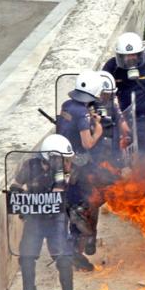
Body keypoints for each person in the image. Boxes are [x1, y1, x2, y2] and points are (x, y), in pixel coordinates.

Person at [11, 134, 76, 290]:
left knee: (63, 258)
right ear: (50, 156)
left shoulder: (64, 171)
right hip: (35, 219)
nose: (65, 161)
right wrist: (19, 200)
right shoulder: (30, 166)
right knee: (26, 256)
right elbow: (16, 185)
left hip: (56, 220)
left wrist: (59, 173)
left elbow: (58, 192)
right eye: (61, 158)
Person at [56, 70, 104, 271]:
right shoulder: (83, 113)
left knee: (67, 207)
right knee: (81, 207)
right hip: (78, 165)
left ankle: (70, 247)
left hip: (61, 160)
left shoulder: (67, 106)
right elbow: (87, 143)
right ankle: (75, 251)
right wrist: (98, 130)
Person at [102, 32, 145, 162]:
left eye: (133, 55)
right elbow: (103, 93)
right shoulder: (111, 67)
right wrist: (120, 119)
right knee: (119, 158)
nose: (130, 59)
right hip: (122, 118)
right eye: (126, 56)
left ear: (140, 54)